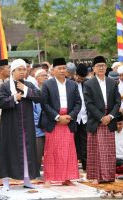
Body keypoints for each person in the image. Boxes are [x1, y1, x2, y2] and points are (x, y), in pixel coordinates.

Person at [0, 59, 42, 190]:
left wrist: (26, 91)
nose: (23, 72)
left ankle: (27, 180)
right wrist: (13, 98)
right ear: (13, 71)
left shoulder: (28, 84)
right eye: (20, 70)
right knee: (7, 151)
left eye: (24, 69)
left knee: (27, 151)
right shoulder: (5, 86)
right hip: (10, 126)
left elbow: (40, 97)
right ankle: (5, 182)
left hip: (26, 126)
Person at [41, 57, 81, 186]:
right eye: (60, 68)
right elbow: (44, 104)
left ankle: (67, 178)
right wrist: (57, 117)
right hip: (54, 121)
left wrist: (70, 116)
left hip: (68, 121)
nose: (63, 70)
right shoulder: (47, 84)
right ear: (53, 70)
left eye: (64, 68)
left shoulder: (72, 84)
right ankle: (49, 178)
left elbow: (78, 103)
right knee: (51, 151)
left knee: (68, 151)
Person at [83, 56, 121, 183]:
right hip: (96, 120)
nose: (101, 68)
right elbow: (89, 104)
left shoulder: (112, 82)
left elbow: (117, 101)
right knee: (96, 149)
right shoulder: (88, 84)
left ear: (106, 67)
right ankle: (96, 176)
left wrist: (110, 116)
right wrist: (101, 117)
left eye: (103, 65)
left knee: (109, 151)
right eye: (98, 66)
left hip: (109, 119)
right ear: (93, 68)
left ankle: (109, 176)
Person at [74, 63, 89, 171]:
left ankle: (86, 167)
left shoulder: (87, 84)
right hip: (73, 118)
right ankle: (72, 168)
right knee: (73, 143)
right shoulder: (68, 83)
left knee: (85, 143)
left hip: (85, 118)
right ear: (75, 74)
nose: (80, 80)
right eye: (78, 77)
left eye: (82, 78)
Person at [34, 69, 48, 171]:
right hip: (38, 127)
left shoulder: (50, 89)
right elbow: (32, 111)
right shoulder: (34, 91)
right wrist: (40, 123)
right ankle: (35, 172)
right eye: (43, 75)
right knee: (38, 152)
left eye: (46, 75)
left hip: (50, 125)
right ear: (37, 78)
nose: (45, 77)